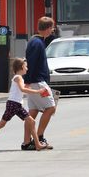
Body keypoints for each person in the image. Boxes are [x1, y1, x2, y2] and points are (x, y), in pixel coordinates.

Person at [0, 58, 48, 152]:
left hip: (13, 104)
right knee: (30, 122)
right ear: (21, 67)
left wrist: (27, 86)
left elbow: (22, 88)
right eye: (26, 66)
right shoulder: (18, 77)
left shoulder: (18, 77)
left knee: (3, 124)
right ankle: (37, 145)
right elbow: (22, 89)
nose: (27, 69)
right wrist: (37, 91)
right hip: (14, 104)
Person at [23, 16, 57, 150]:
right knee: (51, 108)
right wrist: (28, 81)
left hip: (35, 81)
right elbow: (31, 63)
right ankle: (40, 137)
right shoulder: (37, 43)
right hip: (37, 82)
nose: (53, 30)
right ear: (48, 28)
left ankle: (26, 142)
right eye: (52, 28)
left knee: (32, 112)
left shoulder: (36, 41)